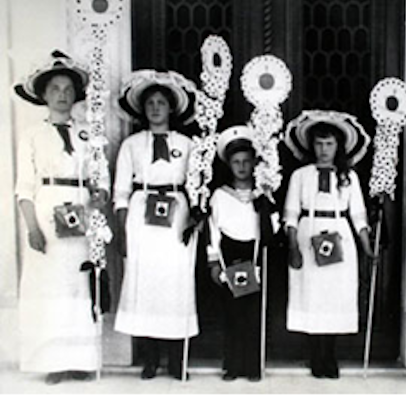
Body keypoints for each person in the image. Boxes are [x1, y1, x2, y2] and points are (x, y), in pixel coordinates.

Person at [14, 50, 110, 384]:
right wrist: (32, 227)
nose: (62, 95)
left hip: (81, 212)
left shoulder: (89, 134)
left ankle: (80, 360)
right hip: (47, 211)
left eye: (68, 89)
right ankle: (53, 361)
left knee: (79, 285)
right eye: (55, 88)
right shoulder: (32, 135)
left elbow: (101, 177)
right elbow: (24, 188)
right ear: (44, 95)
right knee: (50, 287)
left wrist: (100, 194)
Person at [113, 69, 199, 380]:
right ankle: (150, 358)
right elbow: (121, 192)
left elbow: (197, 185)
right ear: (142, 108)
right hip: (142, 215)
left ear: (171, 108)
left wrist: (195, 214)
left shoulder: (187, 145)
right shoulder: (131, 145)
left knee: (176, 283)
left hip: (176, 216)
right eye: (150, 103)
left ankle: (177, 360)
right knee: (147, 284)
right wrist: (123, 230)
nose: (155, 108)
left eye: (162, 102)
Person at [283, 110, 376, 379]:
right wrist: (293, 246)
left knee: (334, 295)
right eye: (319, 144)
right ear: (311, 146)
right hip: (308, 233)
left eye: (329, 144)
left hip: (339, 234)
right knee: (312, 294)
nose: (324, 150)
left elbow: (358, 216)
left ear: (339, 146)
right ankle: (316, 356)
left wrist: (367, 246)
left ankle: (330, 356)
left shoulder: (349, 177)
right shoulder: (301, 176)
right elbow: (290, 214)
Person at [207, 125, 277, 382]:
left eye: (246, 161)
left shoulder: (263, 194)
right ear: (229, 164)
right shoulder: (220, 195)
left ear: (254, 164)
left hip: (255, 254)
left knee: (253, 313)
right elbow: (213, 230)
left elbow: (273, 229)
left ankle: (253, 365)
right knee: (233, 312)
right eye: (236, 162)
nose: (242, 167)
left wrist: (266, 209)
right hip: (231, 254)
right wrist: (214, 262)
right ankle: (233, 365)